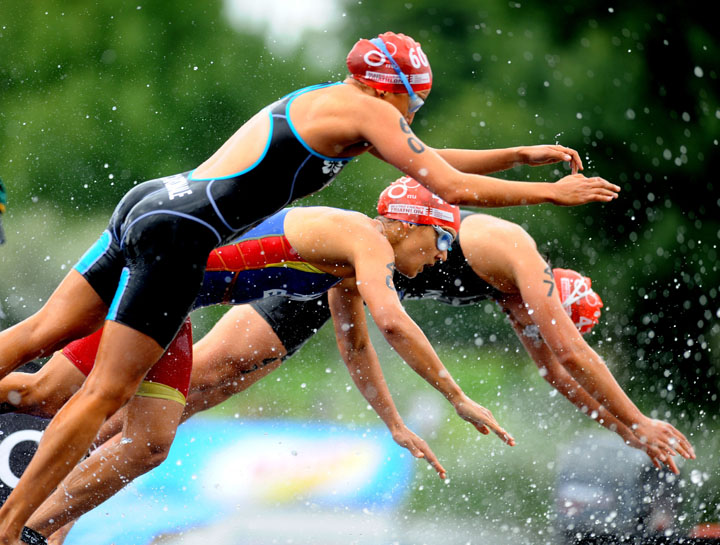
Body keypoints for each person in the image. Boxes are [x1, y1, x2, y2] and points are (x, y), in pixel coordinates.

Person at [0, 29, 620, 542]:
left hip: (159, 205)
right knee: (100, 395)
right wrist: (549, 193)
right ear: (392, 91)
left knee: (50, 356)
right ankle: (13, 529)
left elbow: (430, 162)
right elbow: (445, 193)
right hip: (183, 240)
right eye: (413, 106)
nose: (409, 121)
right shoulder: (367, 208)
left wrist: (514, 155)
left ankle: (30, 525)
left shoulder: (338, 110)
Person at [4, 181, 522, 545]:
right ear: (410, 226)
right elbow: (393, 323)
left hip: (172, 304)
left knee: (150, 443)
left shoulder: (348, 262)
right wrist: (456, 397)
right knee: (41, 390)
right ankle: (18, 523)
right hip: (155, 274)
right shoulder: (365, 241)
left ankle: (30, 529)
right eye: (444, 241)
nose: (440, 259)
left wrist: (394, 424)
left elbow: (358, 345)